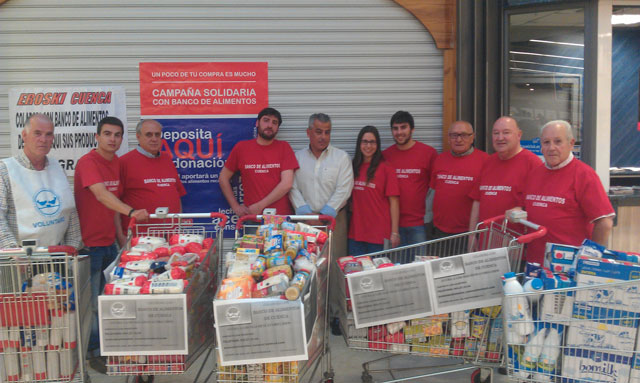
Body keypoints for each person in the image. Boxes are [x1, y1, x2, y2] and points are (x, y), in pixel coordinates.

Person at [74, 116, 149, 360]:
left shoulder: (116, 162)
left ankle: (107, 348)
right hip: (89, 246)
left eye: (117, 135)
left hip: (109, 244)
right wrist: (131, 212)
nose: (112, 139)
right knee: (93, 304)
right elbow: (101, 195)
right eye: (107, 134)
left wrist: (121, 242)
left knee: (108, 301)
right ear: (97, 137)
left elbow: (113, 206)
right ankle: (94, 354)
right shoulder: (88, 162)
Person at [512, 120, 614, 264]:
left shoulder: (584, 174)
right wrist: (515, 211)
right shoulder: (535, 174)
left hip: (568, 268)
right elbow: (524, 206)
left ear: (571, 143)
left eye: (558, 141)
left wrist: (591, 259)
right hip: (535, 264)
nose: (551, 148)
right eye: (546, 142)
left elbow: (604, 222)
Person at [0, 113, 81, 249]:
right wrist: (13, 252)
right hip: (22, 260)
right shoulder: (5, 170)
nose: (43, 139)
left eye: (48, 134)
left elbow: (70, 211)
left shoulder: (57, 168)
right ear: (24, 135)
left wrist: (73, 246)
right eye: (37, 133)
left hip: (59, 256)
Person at [289, 113, 353, 254]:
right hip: (304, 223)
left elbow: (344, 190)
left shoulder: (342, 158)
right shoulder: (297, 158)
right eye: (318, 132)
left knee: (333, 266)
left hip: (334, 222)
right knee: (304, 265)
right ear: (308, 132)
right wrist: (308, 217)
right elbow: (292, 188)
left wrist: (324, 217)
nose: (323, 137)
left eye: (327, 132)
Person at [220, 107, 299, 216]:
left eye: (274, 123)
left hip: (280, 218)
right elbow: (223, 178)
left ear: (277, 128)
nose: (270, 125)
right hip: (252, 218)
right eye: (266, 120)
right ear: (257, 123)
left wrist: (260, 206)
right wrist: (235, 207)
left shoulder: (284, 147)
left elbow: (287, 184)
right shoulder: (241, 148)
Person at [468, 116, 541, 231]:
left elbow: (538, 207)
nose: (500, 138)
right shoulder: (488, 162)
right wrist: (472, 235)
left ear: (519, 135)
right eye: (496, 133)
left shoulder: (533, 163)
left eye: (506, 132)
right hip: (485, 240)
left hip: (515, 243)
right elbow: (477, 201)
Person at [117, 119, 186, 243]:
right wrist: (121, 237)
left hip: (171, 236)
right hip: (141, 239)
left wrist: (177, 227)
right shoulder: (124, 162)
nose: (154, 139)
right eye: (149, 135)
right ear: (138, 137)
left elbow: (177, 194)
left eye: (157, 135)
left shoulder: (167, 159)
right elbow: (115, 204)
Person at [382, 111, 437, 245]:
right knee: (396, 265)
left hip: (419, 225)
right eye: (395, 128)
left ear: (412, 129)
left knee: (419, 265)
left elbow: (436, 189)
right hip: (392, 225)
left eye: (403, 127)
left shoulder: (428, 153)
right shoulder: (385, 156)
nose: (399, 132)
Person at [430, 121, 488, 238]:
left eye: (464, 135)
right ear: (448, 138)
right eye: (454, 135)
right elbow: (432, 191)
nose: (459, 140)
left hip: (469, 232)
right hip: (439, 231)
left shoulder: (486, 161)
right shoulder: (439, 159)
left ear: (472, 137)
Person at [349, 126, 400, 255]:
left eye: (372, 142)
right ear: (359, 143)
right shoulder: (352, 166)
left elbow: (394, 202)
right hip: (356, 234)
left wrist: (394, 232)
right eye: (365, 141)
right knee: (356, 274)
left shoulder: (386, 168)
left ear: (377, 145)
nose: (368, 146)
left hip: (378, 236)